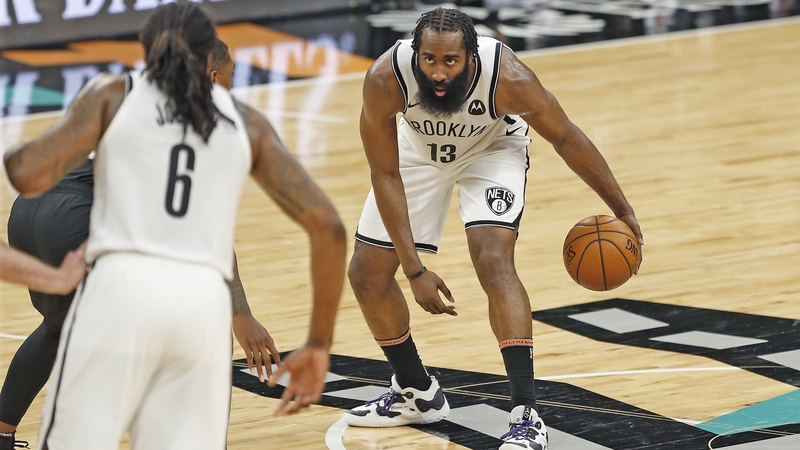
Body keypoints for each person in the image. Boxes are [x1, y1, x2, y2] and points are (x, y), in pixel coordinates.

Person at [2, 3, 346, 450]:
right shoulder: (246, 123)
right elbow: (329, 228)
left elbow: (24, 173)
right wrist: (317, 342)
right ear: (212, 68)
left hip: (98, 267)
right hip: (196, 305)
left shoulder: (112, 94)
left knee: (59, 340)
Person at [343, 7, 643, 450]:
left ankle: (526, 416)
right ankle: (416, 391)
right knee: (366, 273)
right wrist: (415, 270)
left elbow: (565, 137)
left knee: (493, 259)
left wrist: (623, 209)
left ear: (471, 55)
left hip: (491, 149)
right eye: (429, 60)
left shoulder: (509, 78)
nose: (439, 72)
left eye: (450, 61)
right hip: (417, 153)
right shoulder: (385, 79)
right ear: (414, 53)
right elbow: (385, 174)